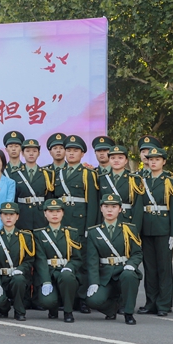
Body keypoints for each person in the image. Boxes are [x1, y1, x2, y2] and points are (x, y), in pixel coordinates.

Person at [53, 135, 99, 313]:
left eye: (75, 151)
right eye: (69, 150)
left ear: (82, 154)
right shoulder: (57, 173)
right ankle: (64, 298)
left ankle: (81, 299)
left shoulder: (88, 174)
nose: (71, 153)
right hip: (62, 223)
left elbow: (92, 203)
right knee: (63, 261)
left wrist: (90, 228)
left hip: (80, 224)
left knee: (82, 262)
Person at [86, 194, 143, 325]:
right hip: (105, 275)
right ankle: (112, 308)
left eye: (114, 207)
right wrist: (94, 282)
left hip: (123, 271)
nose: (110, 210)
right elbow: (92, 261)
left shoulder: (129, 229)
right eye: (106, 206)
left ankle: (128, 313)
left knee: (129, 276)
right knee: (92, 300)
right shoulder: (94, 232)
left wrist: (131, 265)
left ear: (120, 209)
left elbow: (137, 253)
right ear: (101, 208)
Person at [137, 146, 173, 317]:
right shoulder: (142, 180)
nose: (153, 162)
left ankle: (164, 304)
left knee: (164, 268)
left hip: (163, 228)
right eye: (151, 159)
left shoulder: (170, 181)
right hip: (146, 228)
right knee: (150, 267)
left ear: (164, 161)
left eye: (157, 159)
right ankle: (151, 302)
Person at [33, 199, 82, 322]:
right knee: (47, 301)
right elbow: (40, 260)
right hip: (49, 271)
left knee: (67, 277)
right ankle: (53, 308)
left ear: (63, 213)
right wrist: (46, 281)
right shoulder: (39, 234)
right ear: (45, 213)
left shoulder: (72, 233)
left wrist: (69, 267)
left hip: (65, 272)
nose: (54, 214)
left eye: (58, 211)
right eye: (50, 211)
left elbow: (77, 258)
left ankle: (68, 311)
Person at [0, 202, 35, 321]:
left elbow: (29, 260)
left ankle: (19, 311)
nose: (8, 217)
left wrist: (20, 269)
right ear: (0, 216)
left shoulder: (25, 236)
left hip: (18, 277)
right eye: (5, 214)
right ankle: (4, 307)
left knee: (19, 280)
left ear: (17, 216)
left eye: (12, 214)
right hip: (2, 277)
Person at [98, 145, 145, 233]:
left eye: (120, 158)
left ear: (126, 160)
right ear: (109, 160)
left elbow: (138, 208)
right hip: (105, 222)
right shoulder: (101, 179)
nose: (116, 160)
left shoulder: (134, 179)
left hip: (126, 221)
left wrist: (135, 230)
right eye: (113, 158)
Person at [12, 138, 55, 231]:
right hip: (22, 216)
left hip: (41, 216)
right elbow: (14, 198)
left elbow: (49, 197)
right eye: (27, 151)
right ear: (22, 153)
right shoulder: (15, 174)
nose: (31, 154)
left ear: (39, 153)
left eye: (34, 151)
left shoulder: (47, 174)